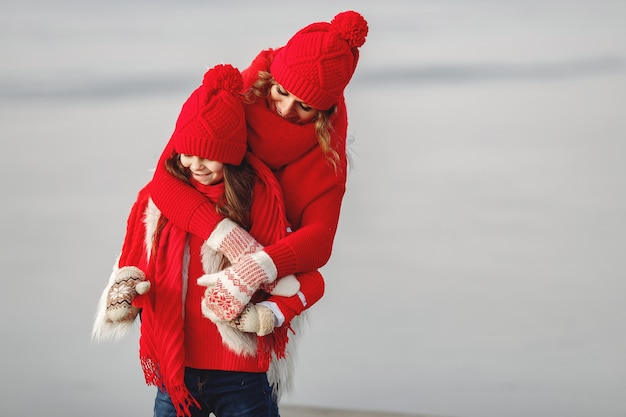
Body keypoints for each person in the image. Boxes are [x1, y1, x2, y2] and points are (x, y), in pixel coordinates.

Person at [92, 64, 324, 417]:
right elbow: (134, 264)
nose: (195, 164)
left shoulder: (256, 200)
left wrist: (269, 315)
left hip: (241, 372)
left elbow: (305, 278)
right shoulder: (156, 201)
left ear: (231, 153)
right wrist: (124, 292)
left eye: (209, 154)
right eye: (187, 152)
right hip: (177, 368)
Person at [147, 11, 368, 321]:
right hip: (189, 262)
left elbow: (320, 238)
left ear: (325, 112)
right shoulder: (228, 100)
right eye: (281, 91)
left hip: (258, 286)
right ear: (270, 78)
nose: (287, 109)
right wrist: (232, 240)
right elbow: (163, 183)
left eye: (305, 107)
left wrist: (257, 266)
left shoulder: (327, 154)